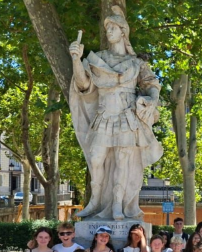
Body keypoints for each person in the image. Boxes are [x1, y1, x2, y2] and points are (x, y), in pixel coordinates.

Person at [69, 5, 162, 221]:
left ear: (123, 32)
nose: (108, 31)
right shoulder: (96, 59)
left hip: (126, 117)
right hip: (104, 116)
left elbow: (152, 84)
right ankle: (95, 202)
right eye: (107, 28)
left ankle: (118, 205)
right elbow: (83, 85)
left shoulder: (136, 63)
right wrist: (76, 59)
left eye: (113, 28)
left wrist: (151, 100)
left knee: (123, 162)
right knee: (95, 159)